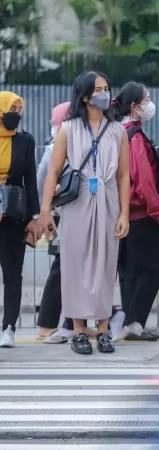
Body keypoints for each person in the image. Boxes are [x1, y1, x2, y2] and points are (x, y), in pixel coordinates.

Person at [38, 71, 130, 355]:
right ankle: (78, 329)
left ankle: (103, 329)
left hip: (109, 201)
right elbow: (53, 171)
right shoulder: (68, 129)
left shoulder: (118, 130)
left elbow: (124, 175)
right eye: (98, 89)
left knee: (106, 264)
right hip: (77, 202)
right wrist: (45, 210)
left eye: (106, 88)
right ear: (85, 95)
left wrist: (124, 213)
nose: (105, 94)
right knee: (75, 264)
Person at [109, 82, 159, 342]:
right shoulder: (133, 135)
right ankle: (133, 321)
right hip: (140, 211)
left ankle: (129, 322)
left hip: (121, 211)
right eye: (147, 99)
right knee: (156, 267)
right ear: (134, 106)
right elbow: (142, 179)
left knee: (130, 269)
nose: (150, 103)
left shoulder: (117, 131)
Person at [0, 91, 40, 348]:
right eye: (12, 108)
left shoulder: (25, 141)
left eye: (19, 108)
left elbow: (31, 181)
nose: (17, 113)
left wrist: (35, 216)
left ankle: (9, 327)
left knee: (13, 273)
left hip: (14, 214)